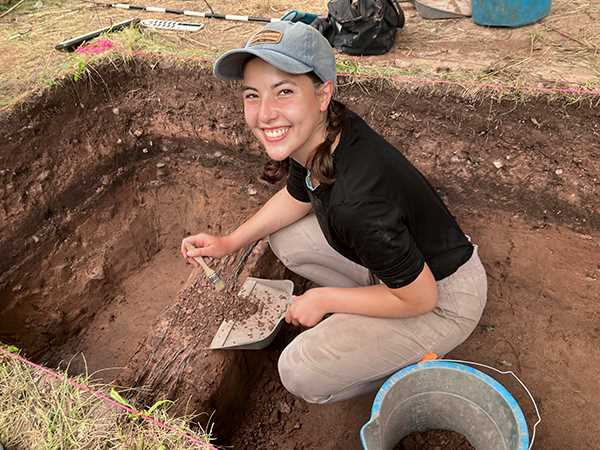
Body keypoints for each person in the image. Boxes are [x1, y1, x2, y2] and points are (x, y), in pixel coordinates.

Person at [181, 21, 487, 404]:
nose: (265, 114)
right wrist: (229, 241)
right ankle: (373, 309)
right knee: (286, 237)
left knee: (298, 371)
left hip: (443, 299)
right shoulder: (322, 134)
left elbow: (422, 298)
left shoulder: (358, 204)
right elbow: (297, 198)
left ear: (323, 94)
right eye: (252, 95)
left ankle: (404, 365)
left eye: (285, 91)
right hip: (402, 269)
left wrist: (324, 300)